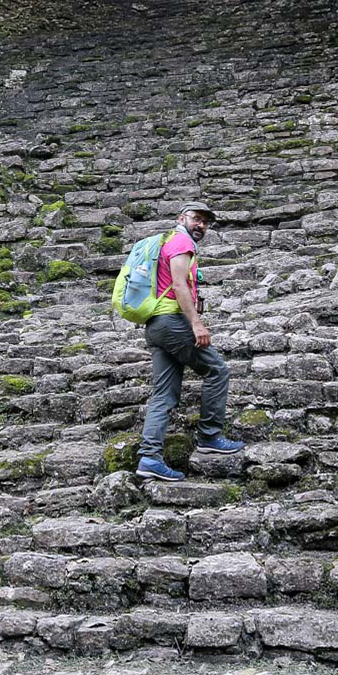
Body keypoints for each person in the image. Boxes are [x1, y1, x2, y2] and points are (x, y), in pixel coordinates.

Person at [135, 202, 243, 481]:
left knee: (164, 394)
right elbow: (180, 284)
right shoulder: (182, 242)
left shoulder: (165, 241)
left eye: (206, 222)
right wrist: (196, 323)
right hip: (172, 322)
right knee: (217, 370)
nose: (201, 226)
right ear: (181, 218)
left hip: (155, 324)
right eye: (197, 219)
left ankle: (149, 457)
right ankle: (210, 436)